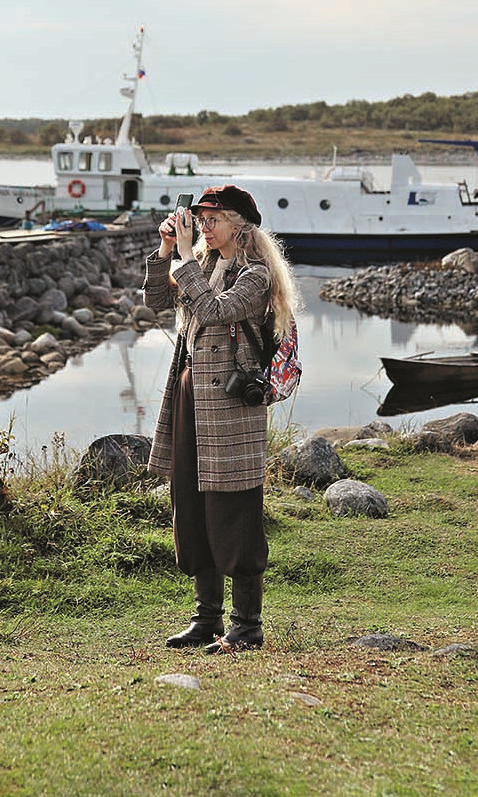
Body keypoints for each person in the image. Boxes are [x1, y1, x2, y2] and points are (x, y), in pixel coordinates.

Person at [143, 185, 299, 654]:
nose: (204, 227)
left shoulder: (256, 276)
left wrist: (184, 256)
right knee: (191, 505)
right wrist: (166, 251)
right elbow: (156, 301)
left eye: (214, 219)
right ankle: (206, 619)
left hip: (232, 410)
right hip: (190, 398)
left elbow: (213, 310)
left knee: (235, 511)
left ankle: (247, 626)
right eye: (200, 219)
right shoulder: (202, 265)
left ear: (239, 225)